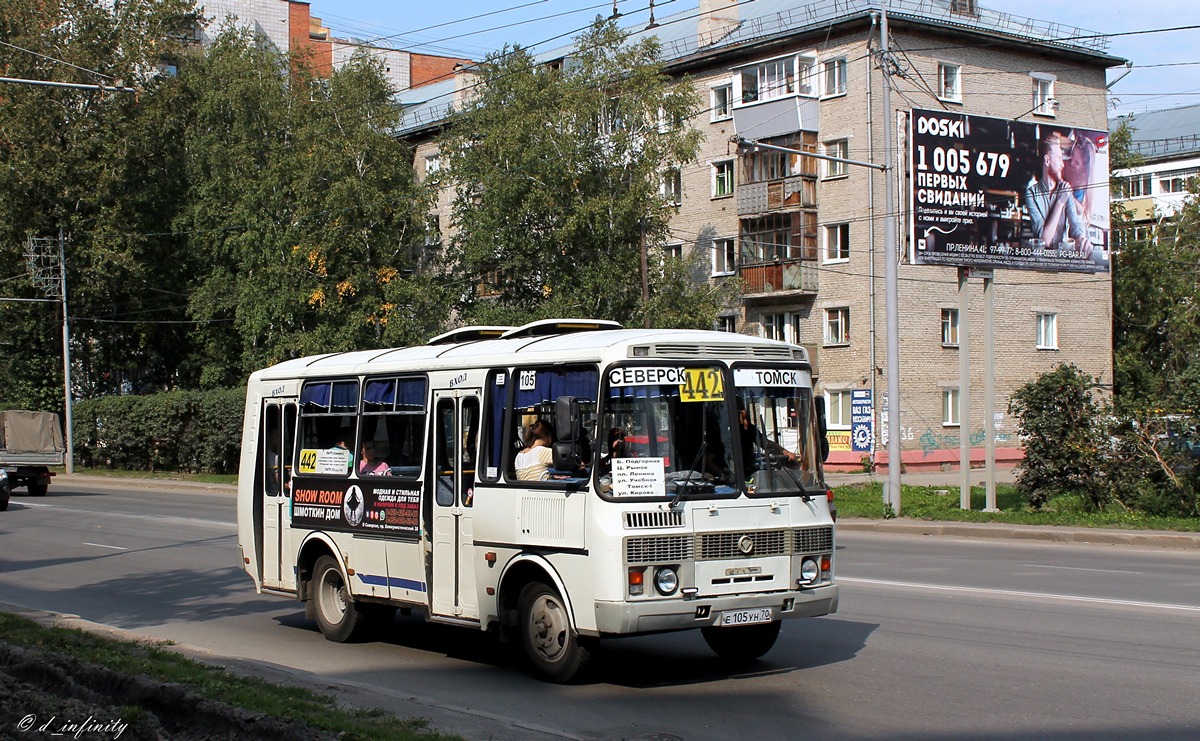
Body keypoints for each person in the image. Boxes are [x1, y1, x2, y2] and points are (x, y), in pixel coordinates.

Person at [1024, 131, 1091, 254]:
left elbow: (1075, 223)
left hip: (1062, 259)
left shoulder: (1065, 188)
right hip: (1040, 261)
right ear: (1047, 160)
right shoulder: (1031, 194)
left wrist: (1081, 238)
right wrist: (1060, 202)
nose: (1062, 164)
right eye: (1059, 158)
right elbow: (1045, 240)